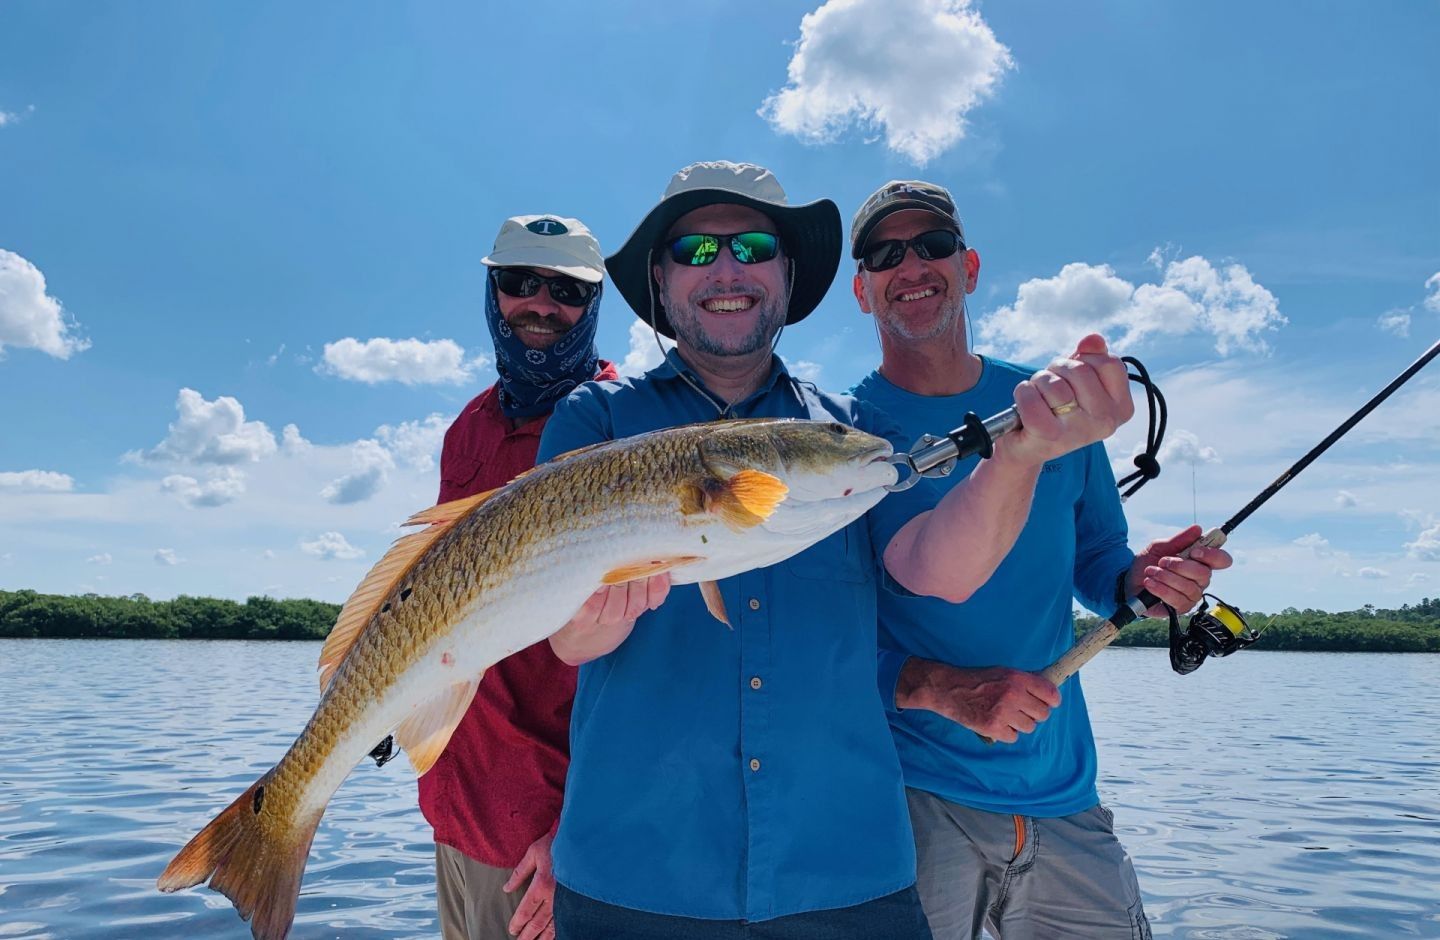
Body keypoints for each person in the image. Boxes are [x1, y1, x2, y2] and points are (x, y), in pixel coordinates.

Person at [533, 161, 1135, 940]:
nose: (727, 268)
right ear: (660, 276)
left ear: (788, 274)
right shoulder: (595, 419)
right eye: (695, 249)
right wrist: (597, 615)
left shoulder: (850, 432)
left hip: (848, 879)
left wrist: (1020, 456)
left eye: (754, 247)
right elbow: (570, 639)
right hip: (634, 875)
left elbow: (938, 571)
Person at [847, 179, 1234, 939]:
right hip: (907, 796)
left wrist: (1143, 579)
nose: (911, 266)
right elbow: (826, 632)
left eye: (932, 245)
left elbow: (1098, 558)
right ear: (862, 292)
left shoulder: (1051, 409)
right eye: (885, 256)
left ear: (970, 267)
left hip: (1064, 792)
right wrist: (941, 690)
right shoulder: (843, 433)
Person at [415, 214, 618, 940]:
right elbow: (437, 597)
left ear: (593, 305)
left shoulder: (623, 428)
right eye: (520, 282)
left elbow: (661, 667)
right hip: (453, 811)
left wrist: (581, 832)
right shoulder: (467, 426)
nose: (541, 304)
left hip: (546, 844)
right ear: (492, 291)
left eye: (566, 290)